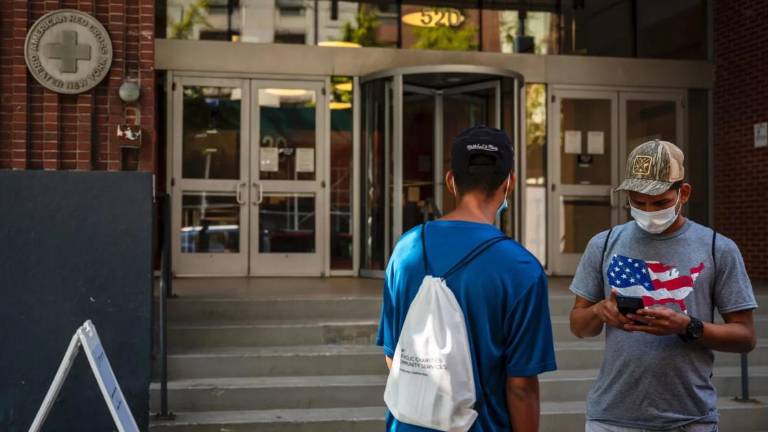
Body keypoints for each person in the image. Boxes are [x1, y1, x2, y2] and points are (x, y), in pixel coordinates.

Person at [376, 125, 557, 432]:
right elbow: (521, 387)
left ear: (450, 181)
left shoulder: (406, 248)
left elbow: (394, 355)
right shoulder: (521, 268)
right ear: (509, 183)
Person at [569, 139, 758, 432]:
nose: (648, 211)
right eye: (637, 201)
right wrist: (600, 312)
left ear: (683, 193)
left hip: (690, 418)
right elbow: (579, 326)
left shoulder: (717, 248)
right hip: (611, 418)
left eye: (660, 202)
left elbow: (745, 337)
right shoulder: (603, 243)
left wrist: (687, 326)